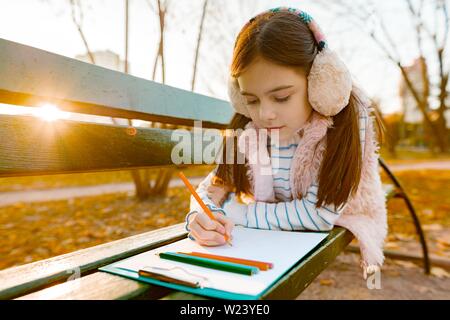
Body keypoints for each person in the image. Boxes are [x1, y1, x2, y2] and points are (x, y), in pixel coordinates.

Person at [184, 7, 387, 279]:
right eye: (252, 100)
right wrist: (201, 216)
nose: (264, 114)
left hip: (341, 214)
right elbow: (211, 189)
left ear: (320, 83)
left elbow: (318, 215)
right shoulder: (250, 131)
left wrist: (237, 213)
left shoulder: (340, 128)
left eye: (281, 97)